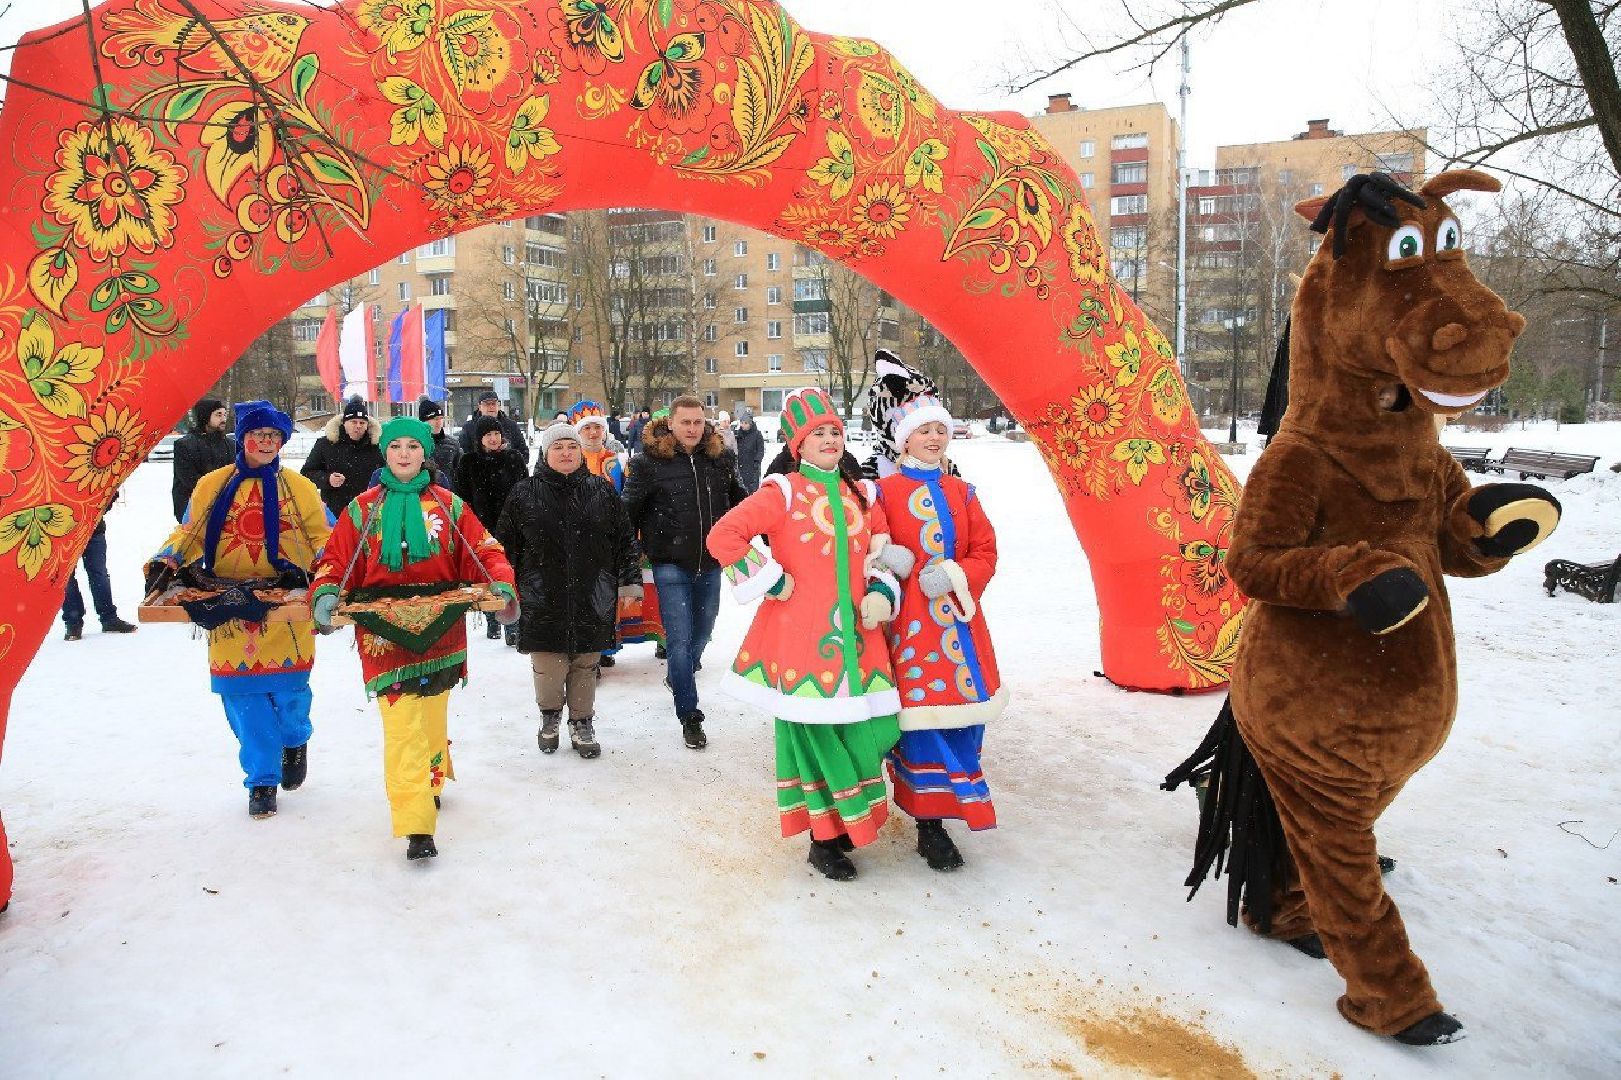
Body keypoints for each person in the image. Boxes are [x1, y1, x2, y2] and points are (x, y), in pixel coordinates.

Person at [706, 387, 905, 881]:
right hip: (803, 641)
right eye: (818, 432)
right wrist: (769, 577)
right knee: (817, 739)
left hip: (861, 641)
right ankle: (826, 839)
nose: (830, 439)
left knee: (878, 729)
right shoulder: (784, 491)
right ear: (799, 443)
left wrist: (881, 588)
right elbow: (723, 536)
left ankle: (845, 820)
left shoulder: (864, 492)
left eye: (835, 430)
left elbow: (883, 554)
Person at [310, 416, 517, 862]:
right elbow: (334, 559)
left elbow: (484, 550)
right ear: (385, 453)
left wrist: (500, 581)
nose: (404, 453)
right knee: (402, 725)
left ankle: (433, 779)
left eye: (413, 446)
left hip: (442, 625)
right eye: (396, 446)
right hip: (381, 629)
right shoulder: (361, 509)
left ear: (426, 453)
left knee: (431, 718)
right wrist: (326, 592)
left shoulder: (449, 505)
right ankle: (416, 823)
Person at [145, 401, 332, 819]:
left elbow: (322, 535)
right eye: (258, 435)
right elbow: (189, 530)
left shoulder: (299, 488)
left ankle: (294, 739)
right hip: (226, 604)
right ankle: (262, 781)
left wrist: (331, 570)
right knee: (243, 701)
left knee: (289, 694)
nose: (265, 443)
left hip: (285, 601)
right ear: (243, 439)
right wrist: (167, 560)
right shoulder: (213, 485)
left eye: (273, 437)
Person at [875, 395, 1006, 871]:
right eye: (923, 430)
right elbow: (867, 547)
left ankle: (950, 806)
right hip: (910, 628)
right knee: (921, 720)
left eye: (940, 430)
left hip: (959, 625)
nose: (933, 438)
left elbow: (986, 551)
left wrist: (954, 573)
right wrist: (889, 559)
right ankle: (930, 825)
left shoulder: (963, 492)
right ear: (904, 437)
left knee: (964, 718)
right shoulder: (883, 492)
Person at [497, 422, 641, 759]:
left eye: (571, 447)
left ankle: (581, 722)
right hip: (541, 592)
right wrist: (504, 585)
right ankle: (549, 717)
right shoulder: (524, 493)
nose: (566, 453)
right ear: (546, 453)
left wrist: (629, 581)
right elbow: (505, 545)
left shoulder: (602, 491)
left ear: (580, 452)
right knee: (549, 663)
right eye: (558, 447)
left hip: (593, 592)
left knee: (586, 663)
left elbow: (623, 540)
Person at [622, 395, 746, 749]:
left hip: (710, 562)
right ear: (671, 424)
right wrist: (629, 556)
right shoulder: (647, 464)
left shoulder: (720, 459)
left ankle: (679, 675)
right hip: (669, 563)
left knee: (703, 634)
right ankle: (690, 715)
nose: (692, 429)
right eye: (685, 422)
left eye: (697, 422)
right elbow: (626, 513)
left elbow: (740, 503)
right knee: (678, 638)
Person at [456, 415, 529, 645]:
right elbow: (462, 498)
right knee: (486, 573)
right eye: (488, 435)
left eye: (496, 434)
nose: (494, 438)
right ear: (480, 439)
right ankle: (491, 617)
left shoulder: (513, 458)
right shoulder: (469, 462)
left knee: (511, 572)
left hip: (512, 526)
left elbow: (525, 489)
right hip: (482, 527)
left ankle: (512, 623)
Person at [302, 395, 384, 518]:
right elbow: (307, 473)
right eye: (353, 422)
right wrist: (327, 479)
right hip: (335, 512)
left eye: (362, 422)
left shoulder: (378, 447)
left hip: (370, 513)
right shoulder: (326, 444)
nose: (358, 426)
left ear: (368, 425)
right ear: (344, 423)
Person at [61, 512, 137, 640]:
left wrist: (100, 506)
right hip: (62, 532)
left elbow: (109, 493)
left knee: (99, 574)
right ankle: (73, 622)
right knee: (66, 577)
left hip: (93, 527)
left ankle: (109, 618)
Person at [172, 397, 235, 521]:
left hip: (226, 508)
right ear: (205, 416)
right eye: (218, 414)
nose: (223, 419)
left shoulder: (231, 445)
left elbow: (234, 474)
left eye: (225, 414)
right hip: (193, 508)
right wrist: (216, 491)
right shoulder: (185, 445)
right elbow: (189, 479)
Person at [458, 390, 529, 460]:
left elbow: (524, 454)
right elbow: (462, 456)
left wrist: (508, 452)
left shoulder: (511, 425)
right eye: (487, 404)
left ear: (498, 406)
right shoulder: (469, 427)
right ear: (479, 406)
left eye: (494, 404)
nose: (491, 407)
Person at [417, 396, 463, 491]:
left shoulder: (453, 444)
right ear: (424, 421)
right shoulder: (414, 444)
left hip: (447, 496)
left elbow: (461, 474)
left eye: (440, 418)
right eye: (434, 419)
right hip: (421, 496)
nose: (438, 422)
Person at [734, 405, 765, 495]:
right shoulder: (738, 434)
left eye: (745, 423)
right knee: (741, 491)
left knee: (752, 492)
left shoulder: (757, 434)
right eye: (742, 423)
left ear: (750, 424)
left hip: (752, 468)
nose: (743, 425)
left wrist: (757, 462)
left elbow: (761, 450)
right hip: (741, 466)